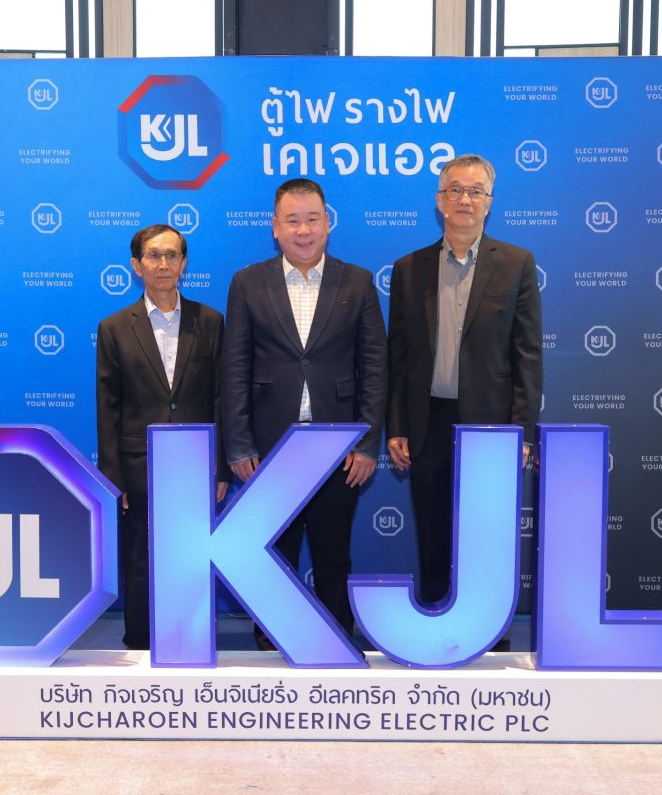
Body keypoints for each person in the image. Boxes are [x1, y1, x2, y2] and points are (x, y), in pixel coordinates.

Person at [222, 178, 387, 649]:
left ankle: (336, 640)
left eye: (312, 219)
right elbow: (235, 368)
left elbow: (375, 367)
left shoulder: (357, 282)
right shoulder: (248, 282)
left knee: (334, 551)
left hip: (339, 447)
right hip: (270, 445)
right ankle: (272, 639)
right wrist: (239, 445)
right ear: (274, 227)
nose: (303, 230)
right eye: (292, 221)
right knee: (274, 551)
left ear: (328, 223)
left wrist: (367, 444)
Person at [386, 153, 543, 608]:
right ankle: (436, 616)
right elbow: (399, 357)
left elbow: (528, 355)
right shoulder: (409, 268)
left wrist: (523, 432)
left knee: (487, 532)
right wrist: (397, 425)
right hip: (427, 421)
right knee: (433, 530)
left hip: (490, 424)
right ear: (439, 200)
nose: (464, 199)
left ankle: (488, 627)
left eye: (475, 191)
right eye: (455, 189)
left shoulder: (516, 263)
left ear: (489, 202)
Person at [96, 223, 228, 650]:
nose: (164, 264)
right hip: (139, 466)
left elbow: (221, 397)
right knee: (141, 558)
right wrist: (112, 477)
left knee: (193, 557)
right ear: (137, 266)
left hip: (196, 464)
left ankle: (190, 641)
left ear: (184, 263)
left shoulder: (210, 322)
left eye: (172, 255)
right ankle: (139, 642)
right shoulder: (115, 327)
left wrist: (222, 466)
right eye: (154, 255)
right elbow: (108, 407)